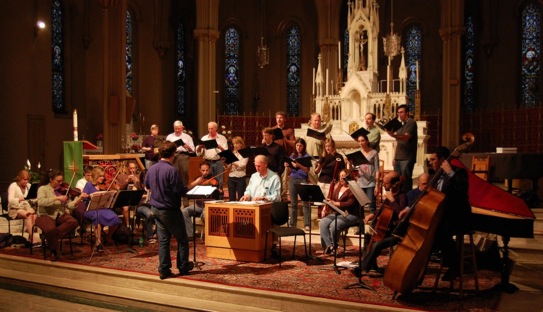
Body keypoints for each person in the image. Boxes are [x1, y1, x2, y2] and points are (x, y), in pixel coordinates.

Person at [401, 146, 472, 280]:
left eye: (433, 159)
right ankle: (419, 266)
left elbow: (462, 191)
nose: (431, 162)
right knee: (430, 230)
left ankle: (454, 266)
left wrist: (450, 172)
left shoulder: (459, 173)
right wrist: (409, 208)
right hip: (441, 216)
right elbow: (423, 196)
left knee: (440, 232)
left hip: (457, 216)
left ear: (443, 160)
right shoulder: (434, 176)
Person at [144, 141, 194, 279]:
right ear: (173, 154)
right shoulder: (171, 170)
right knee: (182, 239)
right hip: (169, 210)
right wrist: (191, 186)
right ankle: (183, 267)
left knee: (164, 241)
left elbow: (147, 185)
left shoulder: (152, 168)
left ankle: (164, 270)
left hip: (155, 208)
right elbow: (179, 191)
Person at [360, 171, 408, 273]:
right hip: (385, 230)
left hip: (395, 233)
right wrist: (372, 215)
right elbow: (383, 209)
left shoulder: (402, 196)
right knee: (368, 237)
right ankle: (372, 266)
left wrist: (392, 200)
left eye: (386, 183)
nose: (383, 185)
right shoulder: (390, 195)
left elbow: (401, 214)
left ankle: (363, 267)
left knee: (376, 244)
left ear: (394, 184)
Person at [35, 169, 83, 261]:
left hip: (60, 214)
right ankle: (54, 251)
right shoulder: (43, 189)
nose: (61, 183)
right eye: (58, 181)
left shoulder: (63, 190)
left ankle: (50, 237)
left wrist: (79, 199)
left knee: (73, 222)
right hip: (45, 215)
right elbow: (40, 202)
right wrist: (56, 198)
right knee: (50, 229)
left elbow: (69, 205)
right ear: (51, 179)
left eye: (61, 181)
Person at [319, 169, 360, 255]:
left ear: (348, 177)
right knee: (323, 222)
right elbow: (332, 200)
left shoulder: (353, 188)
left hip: (351, 214)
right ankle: (329, 246)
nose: (341, 178)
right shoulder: (338, 187)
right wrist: (328, 203)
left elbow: (350, 204)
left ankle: (335, 246)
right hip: (338, 213)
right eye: (340, 176)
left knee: (334, 225)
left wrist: (335, 203)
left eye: (343, 176)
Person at [82, 166, 121, 252]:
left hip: (102, 208)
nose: (103, 178)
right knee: (98, 217)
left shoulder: (103, 185)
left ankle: (108, 237)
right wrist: (89, 196)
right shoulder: (88, 184)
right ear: (95, 176)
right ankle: (98, 242)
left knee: (115, 217)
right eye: (100, 176)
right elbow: (84, 199)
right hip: (90, 209)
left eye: (103, 176)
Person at [181, 161, 220, 238]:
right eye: (203, 170)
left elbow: (216, 195)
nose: (205, 172)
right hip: (198, 205)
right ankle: (190, 234)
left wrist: (211, 184)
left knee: (205, 215)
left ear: (209, 170)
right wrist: (197, 182)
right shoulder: (197, 179)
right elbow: (189, 189)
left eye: (207, 170)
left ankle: (210, 236)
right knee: (184, 211)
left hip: (208, 206)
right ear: (200, 170)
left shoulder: (214, 179)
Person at [386, 104, 417, 193]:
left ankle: (407, 201)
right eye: (398, 112)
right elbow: (397, 142)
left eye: (401, 112)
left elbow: (406, 137)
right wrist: (394, 157)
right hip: (398, 157)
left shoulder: (411, 122)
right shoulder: (399, 125)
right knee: (396, 181)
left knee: (405, 180)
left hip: (407, 157)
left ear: (407, 113)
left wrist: (393, 135)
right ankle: (398, 200)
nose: (399, 114)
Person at [285, 138, 311, 229]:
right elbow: (290, 171)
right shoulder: (292, 155)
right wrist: (288, 166)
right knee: (293, 203)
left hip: (303, 179)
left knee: (305, 202)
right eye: (297, 145)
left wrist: (299, 165)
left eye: (300, 146)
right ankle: (292, 224)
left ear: (303, 147)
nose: (298, 147)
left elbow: (307, 170)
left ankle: (307, 224)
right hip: (293, 179)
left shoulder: (306, 156)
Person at [165, 121, 195, 199]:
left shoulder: (187, 137)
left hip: (183, 155)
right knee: (173, 175)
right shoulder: (169, 137)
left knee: (184, 174)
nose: (177, 130)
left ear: (182, 128)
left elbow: (193, 150)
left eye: (178, 128)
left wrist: (187, 147)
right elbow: (165, 148)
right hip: (173, 156)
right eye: (175, 128)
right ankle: (174, 197)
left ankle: (185, 199)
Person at [196, 121, 228, 192]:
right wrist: (200, 147)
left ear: (216, 129)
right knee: (208, 181)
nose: (210, 130)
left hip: (218, 162)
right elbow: (198, 153)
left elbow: (226, 152)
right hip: (207, 162)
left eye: (212, 129)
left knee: (219, 181)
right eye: (209, 128)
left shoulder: (222, 138)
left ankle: (219, 197)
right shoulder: (204, 138)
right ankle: (208, 197)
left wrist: (219, 147)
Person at [272, 111, 296, 201]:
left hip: (284, 157)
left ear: (284, 119)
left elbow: (294, 144)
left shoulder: (289, 130)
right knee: (275, 179)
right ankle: (275, 198)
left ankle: (284, 199)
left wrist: (285, 139)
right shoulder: (272, 129)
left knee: (284, 180)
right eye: (277, 117)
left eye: (281, 117)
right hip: (274, 158)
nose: (279, 119)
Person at [7, 170, 38, 240]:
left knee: (35, 215)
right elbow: (10, 200)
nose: (26, 181)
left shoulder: (29, 186)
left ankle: (30, 236)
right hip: (15, 208)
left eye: (27, 179)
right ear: (19, 178)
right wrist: (19, 199)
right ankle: (33, 238)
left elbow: (33, 199)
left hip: (26, 207)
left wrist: (34, 199)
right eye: (24, 179)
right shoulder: (13, 186)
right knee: (29, 215)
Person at [303, 112, 332, 184]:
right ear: (311, 121)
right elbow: (302, 145)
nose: (317, 122)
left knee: (321, 182)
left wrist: (324, 139)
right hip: (310, 160)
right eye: (315, 120)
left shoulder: (325, 132)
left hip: (320, 160)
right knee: (313, 181)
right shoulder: (306, 132)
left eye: (318, 120)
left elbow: (330, 145)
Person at [315, 138, 345, 207]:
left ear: (333, 146)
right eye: (326, 146)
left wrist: (339, 184)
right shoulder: (323, 156)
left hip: (331, 183)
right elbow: (316, 171)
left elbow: (342, 171)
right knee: (320, 204)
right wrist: (320, 165)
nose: (327, 148)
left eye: (329, 146)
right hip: (321, 182)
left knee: (329, 204)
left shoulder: (338, 156)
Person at [134, 169, 156, 244]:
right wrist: (146, 195)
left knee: (161, 213)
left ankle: (155, 233)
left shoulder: (152, 185)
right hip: (141, 206)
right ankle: (150, 236)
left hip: (151, 205)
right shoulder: (137, 185)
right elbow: (134, 197)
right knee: (150, 214)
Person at [227, 136, 248, 201]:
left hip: (241, 177)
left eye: (237, 143)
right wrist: (225, 162)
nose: (235, 145)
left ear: (241, 144)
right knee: (231, 197)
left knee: (241, 197)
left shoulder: (245, 153)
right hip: (231, 176)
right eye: (234, 144)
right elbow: (228, 166)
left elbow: (243, 165)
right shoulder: (231, 153)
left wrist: (233, 162)